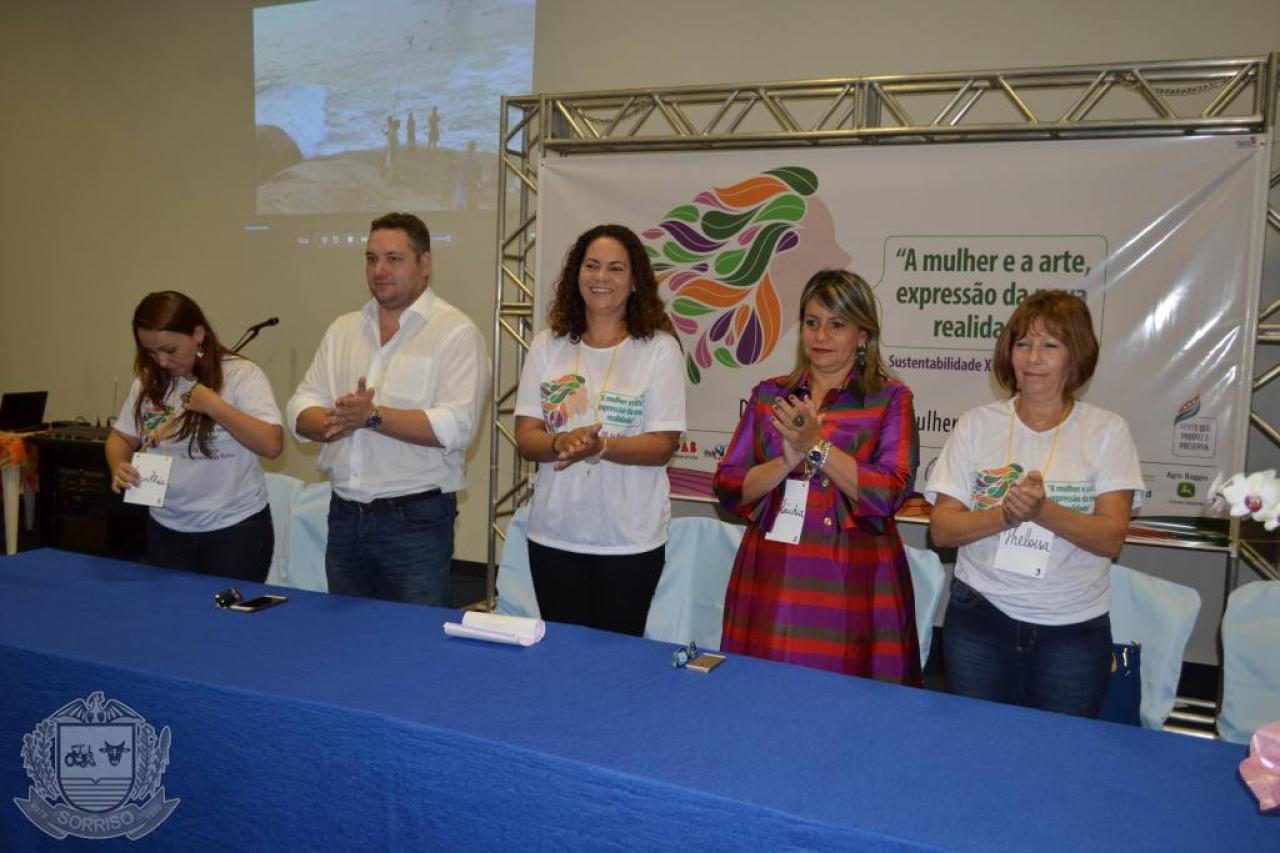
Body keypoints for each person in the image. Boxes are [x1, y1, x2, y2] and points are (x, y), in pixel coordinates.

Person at [926, 290, 1144, 717]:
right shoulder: (977, 425)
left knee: (1062, 749)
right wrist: (1006, 515)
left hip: (1071, 628)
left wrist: (1042, 511)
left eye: (1050, 345)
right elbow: (942, 529)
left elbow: (1111, 537)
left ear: (1075, 354)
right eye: (1023, 343)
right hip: (979, 618)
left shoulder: (1106, 430)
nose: (1033, 357)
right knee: (976, 740)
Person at [713, 269, 921, 684]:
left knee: (845, 699)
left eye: (837, 324)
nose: (820, 335)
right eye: (812, 322)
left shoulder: (890, 399)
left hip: (854, 576)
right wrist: (784, 462)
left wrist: (816, 446)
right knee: (764, 690)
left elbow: (890, 492)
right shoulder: (770, 395)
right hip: (774, 572)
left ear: (863, 336)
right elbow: (729, 486)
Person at [287, 212, 489, 606]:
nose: (379, 270)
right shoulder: (343, 329)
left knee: (412, 637)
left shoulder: (455, 332)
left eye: (393, 259)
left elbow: (457, 426)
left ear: (424, 264)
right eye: (371, 258)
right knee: (347, 633)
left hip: (415, 519)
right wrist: (339, 420)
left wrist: (371, 417)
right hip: (344, 515)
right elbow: (299, 408)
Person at [514, 224, 686, 635]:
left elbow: (662, 445)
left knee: (617, 658)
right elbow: (526, 437)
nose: (601, 277)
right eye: (591, 266)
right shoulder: (548, 345)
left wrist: (600, 447)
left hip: (629, 539)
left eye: (615, 268)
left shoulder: (658, 349)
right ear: (577, 274)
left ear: (635, 282)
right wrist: (560, 441)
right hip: (554, 536)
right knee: (562, 654)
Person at [106, 291, 283, 581]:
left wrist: (215, 406)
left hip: (235, 530)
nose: (161, 360)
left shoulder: (241, 375)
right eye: (151, 352)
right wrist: (118, 466)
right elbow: (121, 438)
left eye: (170, 350)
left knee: (229, 611)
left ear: (198, 334)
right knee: (175, 610)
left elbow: (272, 444)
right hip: (166, 528)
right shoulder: (148, 382)